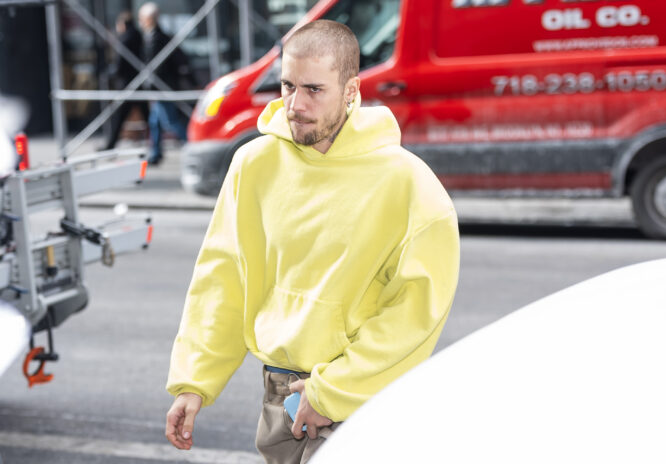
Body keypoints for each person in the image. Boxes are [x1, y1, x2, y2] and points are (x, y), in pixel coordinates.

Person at [165, 20, 460, 463]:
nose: (296, 105)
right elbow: (223, 276)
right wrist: (195, 381)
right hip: (279, 395)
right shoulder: (255, 164)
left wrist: (332, 391)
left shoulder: (408, 183)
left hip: (363, 400)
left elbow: (416, 312)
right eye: (287, 86)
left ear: (351, 89)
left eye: (314, 89)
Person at [138, 2, 191, 165]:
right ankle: (155, 153)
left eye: (142, 18)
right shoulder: (154, 36)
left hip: (162, 87)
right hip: (159, 87)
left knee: (170, 121)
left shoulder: (157, 38)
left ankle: (191, 145)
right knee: (155, 122)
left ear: (149, 19)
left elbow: (158, 67)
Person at [102, 11, 150, 151]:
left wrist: (111, 73)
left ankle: (110, 145)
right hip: (138, 83)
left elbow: (120, 64)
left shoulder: (125, 39)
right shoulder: (139, 37)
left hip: (127, 85)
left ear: (122, 24)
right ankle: (156, 145)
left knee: (119, 117)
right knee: (148, 117)